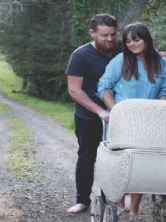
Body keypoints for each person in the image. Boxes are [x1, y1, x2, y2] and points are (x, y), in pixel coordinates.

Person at [96, 22, 166, 220]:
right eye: (127, 41)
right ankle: (120, 206)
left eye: (136, 39)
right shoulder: (120, 61)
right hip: (122, 120)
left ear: (146, 39)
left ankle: (133, 212)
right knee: (121, 163)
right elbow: (103, 86)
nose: (131, 44)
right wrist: (115, 110)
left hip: (149, 122)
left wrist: (156, 110)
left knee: (141, 165)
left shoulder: (164, 64)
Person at [65, 13, 122, 214]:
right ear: (92, 33)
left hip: (120, 115)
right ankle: (82, 200)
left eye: (113, 35)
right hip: (89, 115)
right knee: (87, 156)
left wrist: (159, 56)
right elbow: (74, 90)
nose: (110, 40)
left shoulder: (123, 49)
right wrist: (99, 111)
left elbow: (145, 54)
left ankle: (111, 198)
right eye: (104, 35)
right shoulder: (80, 56)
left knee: (117, 157)